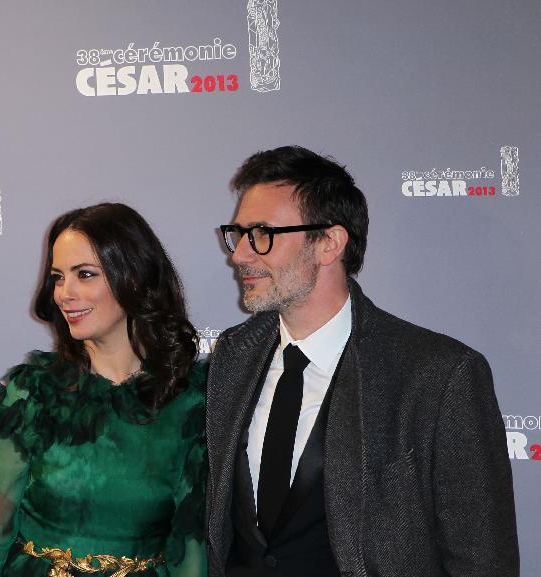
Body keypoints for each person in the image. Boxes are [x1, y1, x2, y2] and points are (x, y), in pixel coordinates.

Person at [206, 146, 518, 577]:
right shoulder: (233, 356)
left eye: (261, 233)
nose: (239, 254)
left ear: (329, 243)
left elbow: (482, 560)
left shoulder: (438, 375)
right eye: (237, 234)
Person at [0, 203, 207, 577]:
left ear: (135, 278)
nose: (64, 293)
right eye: (58, 277)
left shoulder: (189, 403)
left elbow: (191, 551)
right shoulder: (33, 394)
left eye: (85, 274)